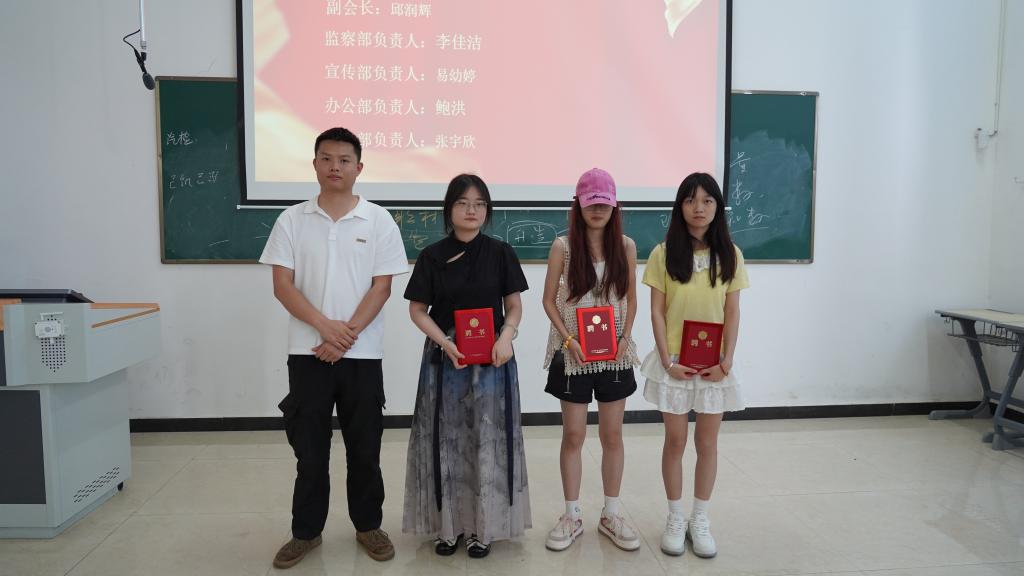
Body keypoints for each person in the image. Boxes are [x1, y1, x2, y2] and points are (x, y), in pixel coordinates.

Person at [260, 127, 409, 568]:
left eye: (344, 160)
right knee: (310, 451)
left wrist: (345, 336)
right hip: (307, 354)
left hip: (362, 356)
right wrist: (325, 329)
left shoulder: (378, 220)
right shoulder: (291, 220)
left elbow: (382, 288)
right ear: (314, 164)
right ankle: (305, 532)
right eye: (326, 158)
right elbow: (282, 286)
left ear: (359, 167)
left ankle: (368, 526)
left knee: (365, 449)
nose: (335, 167)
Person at [402, 174, 532, 559]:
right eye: (462, 203)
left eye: (479, 204)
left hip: (493, 359)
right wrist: (444, 342)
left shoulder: (501, 252)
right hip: (446, 360)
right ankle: (449, 527)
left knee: (486, 440)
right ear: (449, 209)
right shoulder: (432, 256)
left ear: (487, 210)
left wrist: (506, 336)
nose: (471, 210)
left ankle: (483, 528)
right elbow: (417, 310)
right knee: (446, 439)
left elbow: (514, 306)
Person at [640, 172, 749, 558]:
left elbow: (732, 312)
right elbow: (657, 311)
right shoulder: (663, 253)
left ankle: (700, 518)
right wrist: (666, 361)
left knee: (707, 443)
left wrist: (726, 361)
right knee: (675, 441)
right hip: (675, 363)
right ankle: (675, 517)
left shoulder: (730, 254)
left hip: (714, 367)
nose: (698, 208)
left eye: (707, 200)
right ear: (679, 207)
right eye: (690, 200)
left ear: (717, 206)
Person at [540, 168, 641, 552]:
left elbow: (631, 299)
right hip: (574, 354)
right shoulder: (563, 247)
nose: (597, 209)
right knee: (574, 435)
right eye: (591, 203)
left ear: (614, 206)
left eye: (604, 203)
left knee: (612, 435)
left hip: (614, 355)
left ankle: (611, 513)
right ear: (578, 205)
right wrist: (568, 340)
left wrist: (625, 337)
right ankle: (572, 514)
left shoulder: (626, 246)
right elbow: (548, 301)